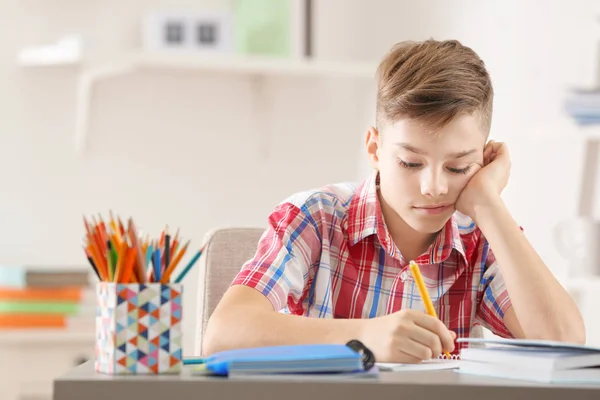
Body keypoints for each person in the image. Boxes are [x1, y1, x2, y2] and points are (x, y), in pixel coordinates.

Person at [203, 39, 586, 363]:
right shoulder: (317, 217)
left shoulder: (481, 239)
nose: (433, 187)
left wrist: (488, 203)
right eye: (410, 162)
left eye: (458, 167)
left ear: (483, 161)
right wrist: (364, 337)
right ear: (375, 148)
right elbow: (223, 334)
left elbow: (565, 345)